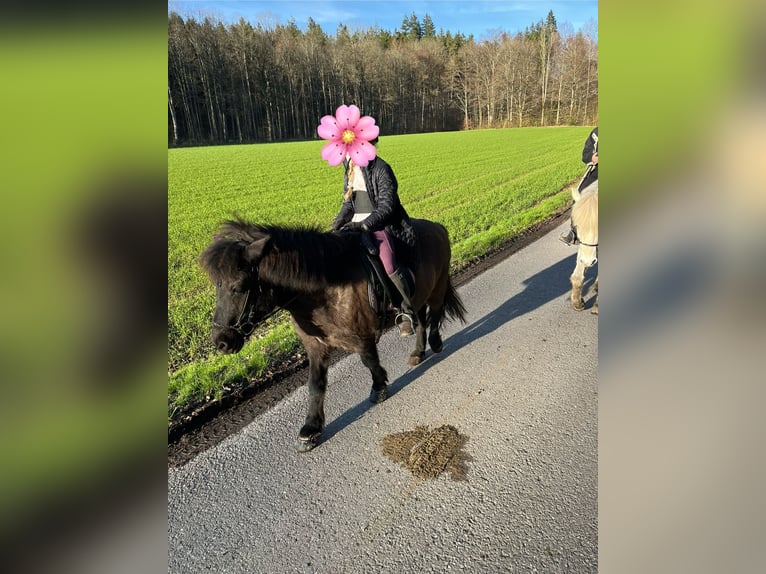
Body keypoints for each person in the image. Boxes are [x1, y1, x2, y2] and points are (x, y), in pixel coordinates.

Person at [331, 138, 418, 336]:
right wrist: (339, 221)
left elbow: (387, 206)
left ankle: (407, 311)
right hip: (355, 224)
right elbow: (349, 204)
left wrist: (365, 224)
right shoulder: (350, 169)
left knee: (389, 265)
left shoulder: (381, 168)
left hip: (381, 225)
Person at [560, 127, 598, 245]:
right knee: (580, 194)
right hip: (597, 172)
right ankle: (574, 232)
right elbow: (586, 153)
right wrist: (592, 158)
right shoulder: (596, 133)